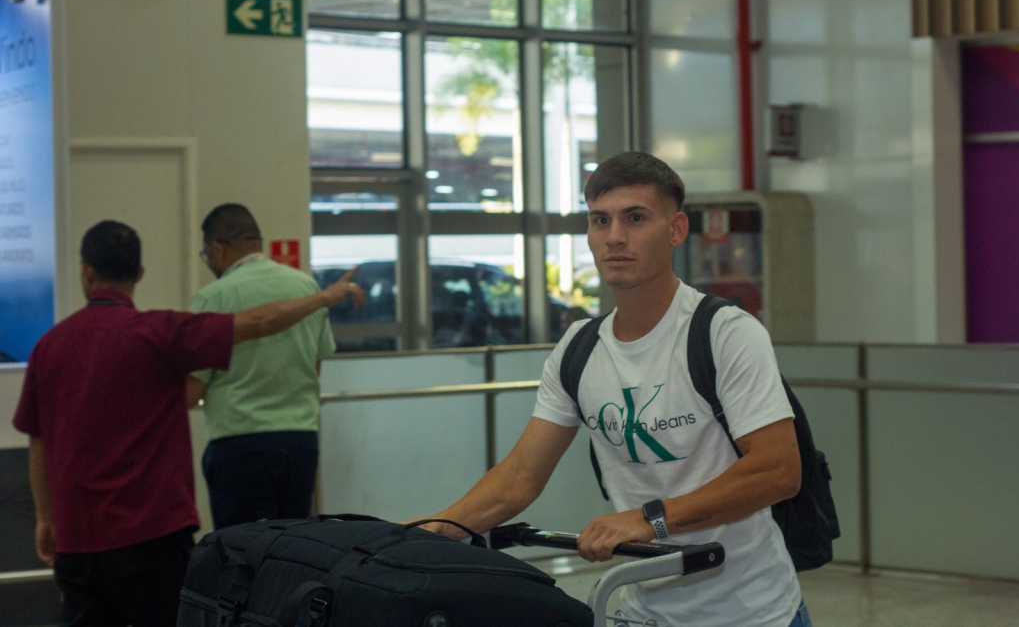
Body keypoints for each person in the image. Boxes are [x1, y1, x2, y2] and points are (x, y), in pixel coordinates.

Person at [414, 152, 810, 627]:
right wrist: (438, 528)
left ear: (676, 229)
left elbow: (778, 470)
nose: (615, 237)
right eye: (600, 220)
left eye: (636, 218)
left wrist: (651, 519)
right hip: (645, 609)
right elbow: (520, 476)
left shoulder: (724, 333)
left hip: (753, 614)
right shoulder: (579, 348)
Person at [12, 220, 364, 627]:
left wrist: (45, 518)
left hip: (79, 538)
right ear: (140, 274)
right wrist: (323, 297)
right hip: (154, 535)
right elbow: (259, 322)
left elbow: (37, 440)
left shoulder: (49, 346)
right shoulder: (161, 334)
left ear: (86, 272)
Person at [187, 204, 360, 529]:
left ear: (217, 249)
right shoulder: (307, 289)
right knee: (290, 553)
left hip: (239, 445)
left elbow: (194, 387)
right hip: (299, 442)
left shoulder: (213, 298)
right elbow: (315, 367)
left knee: (241, 555)